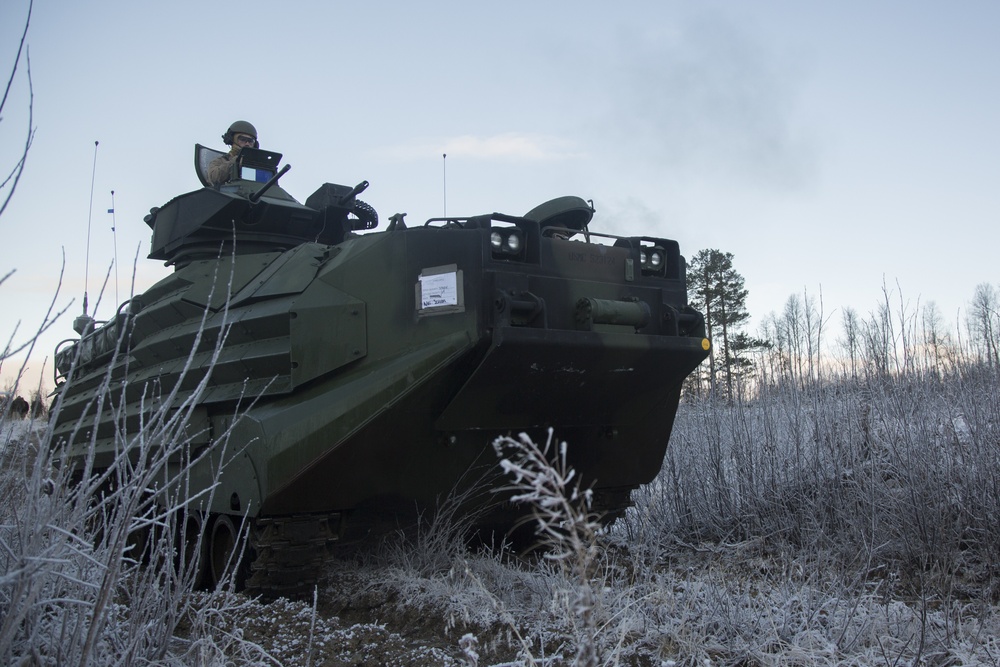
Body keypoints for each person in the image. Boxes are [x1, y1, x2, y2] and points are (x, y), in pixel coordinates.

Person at [207, 120, 259, 186]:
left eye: (250, 141)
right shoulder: (219, 161)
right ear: (231, 139)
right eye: (242, 139)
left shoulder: (258, 165)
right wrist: (236, 161)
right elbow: (214, 178)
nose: (247, 144)